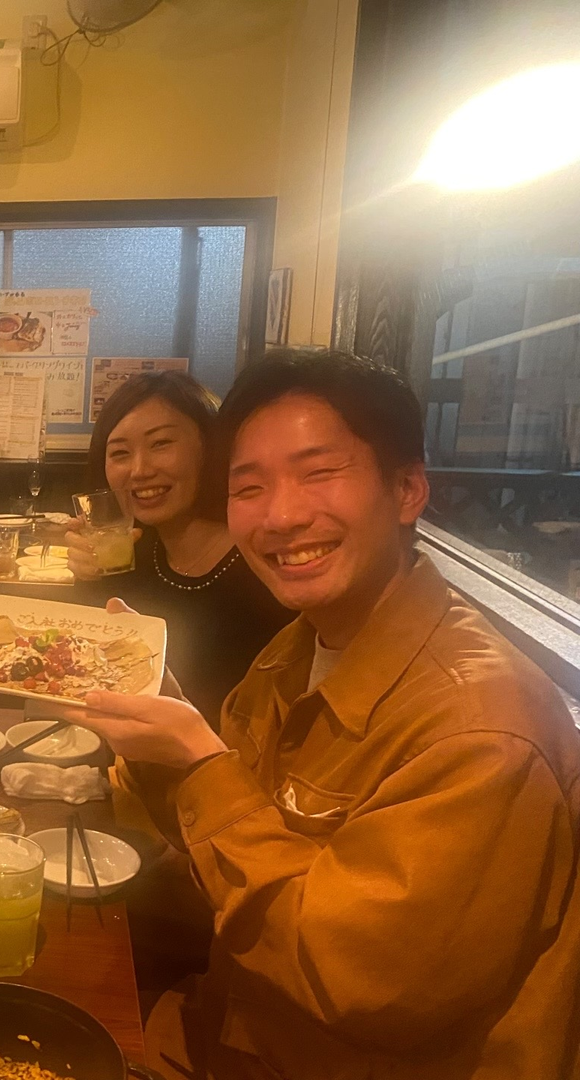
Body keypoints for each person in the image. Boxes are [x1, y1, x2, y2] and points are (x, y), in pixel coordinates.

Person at [70, 352, 580, 1079]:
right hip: (231, 1024)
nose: (282, 516)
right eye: (250, 486)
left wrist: (202, 763)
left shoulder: (481, 730)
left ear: (407, 489)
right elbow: (228, 855)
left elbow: (356, 983)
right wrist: (164, 744)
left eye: (319, 473)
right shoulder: (298, 650)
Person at [70, 371, 290, 726]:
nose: (139, 470)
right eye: (120, 453)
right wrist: (89, 580)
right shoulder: (135, 556)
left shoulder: (267, 564)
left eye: (160, 444)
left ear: (211, 447)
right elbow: (96, 674)